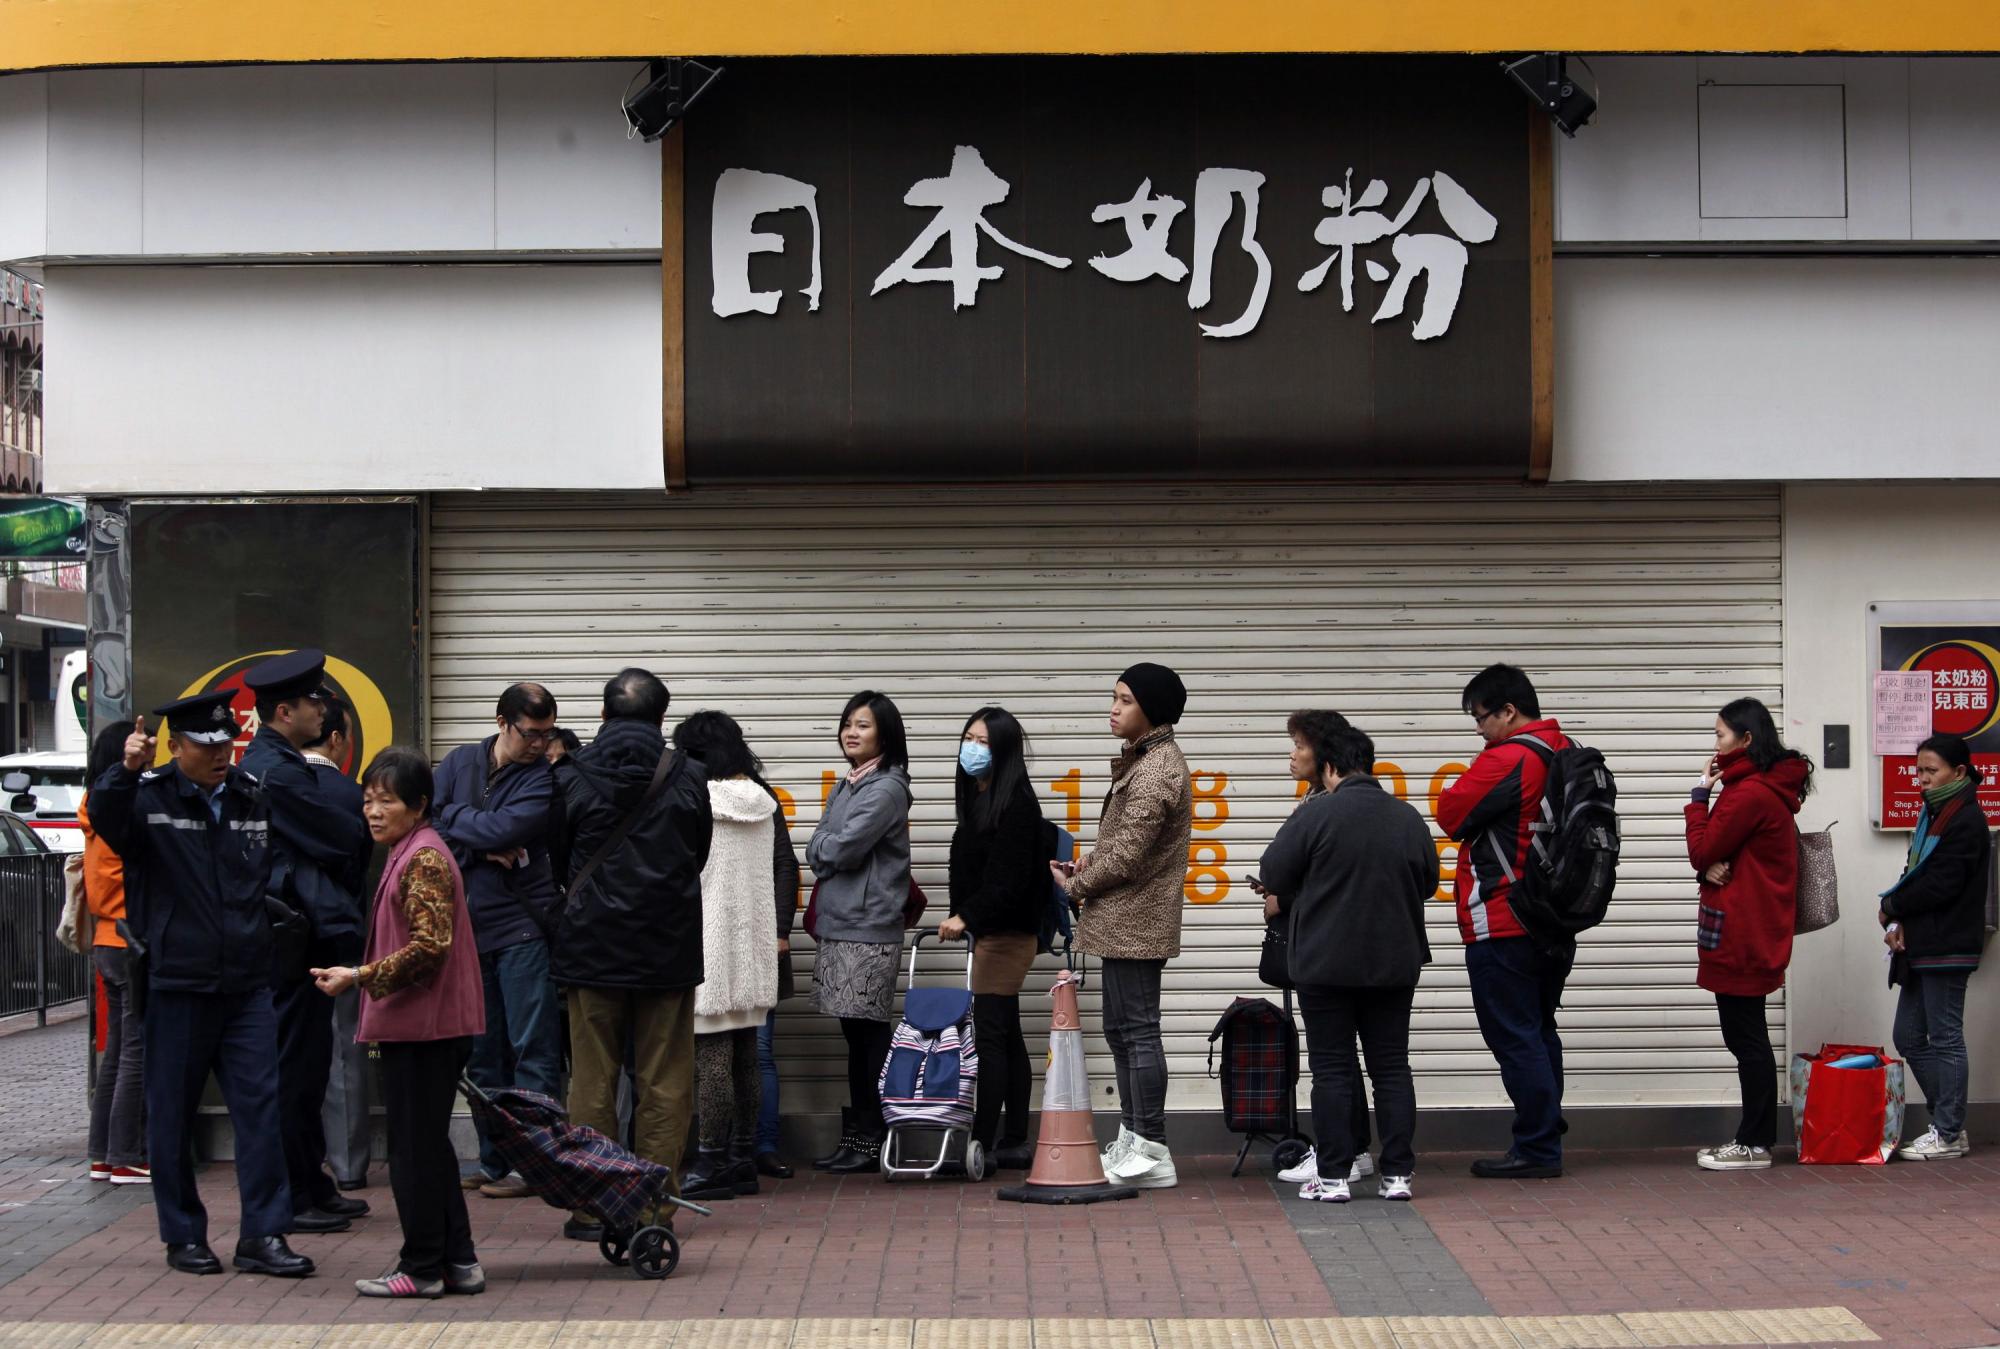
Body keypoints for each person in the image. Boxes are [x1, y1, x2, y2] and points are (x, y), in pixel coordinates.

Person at [88, 693, 313, 1278]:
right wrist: (125, 769)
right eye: (206, 745)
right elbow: (106, 817)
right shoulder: (148, 800)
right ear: (176, 746)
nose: (220, 755)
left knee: (261, 1112)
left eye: (226, 744)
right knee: (171, 1115)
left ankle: (263, 1235)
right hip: (177, 984)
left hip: (246, 984)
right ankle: (184, 1235)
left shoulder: (249, 796)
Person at [311, 749, 486, 1298]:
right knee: (428, 1145)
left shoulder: (424, 859)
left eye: (387, 800)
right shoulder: (407, 850)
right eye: (368, 800)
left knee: (412, 1150)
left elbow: (429, 949)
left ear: (419, 805)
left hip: (425, 1027)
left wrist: (357, 975)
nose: (373, 811)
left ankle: (423, 1267)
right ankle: (458, 1261)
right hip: (422, 1025)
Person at [552, 668, 712, 1239]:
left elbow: (558, 861)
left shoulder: (569, 774)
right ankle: (652, 1207)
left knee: (591, 1079)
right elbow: (698, 853)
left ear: (602, 715)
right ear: (661, 719)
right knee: (665, 1080)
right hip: (666, 951)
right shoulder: (690, 775)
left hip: (591, 949)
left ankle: (594, 1204)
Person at [1260, 720, 1436, 1202]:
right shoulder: (1408, 818)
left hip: (1325, 964)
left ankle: (1334, 1177)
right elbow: (1428, 884)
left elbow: (1273, 872)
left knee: (1334, 1069)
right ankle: (1397, 1175)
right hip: (1395, 963)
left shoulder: (1316, 816)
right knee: (1392, 1068)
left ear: (1330, 765)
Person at [239, 649, 372, 1232]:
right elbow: (344, 835)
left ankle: (312, 1184)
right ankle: (293, 1194)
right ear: (284, 711)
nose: (324, 710)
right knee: (293, 1067)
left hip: (299, 934)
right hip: (288, 937)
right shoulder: (278, 771)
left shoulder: (282, 763)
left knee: (310, 1063)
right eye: (314, 701)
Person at [1053, 663, 1193, 1190]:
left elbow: (1130, 857)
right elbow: (1123, 850)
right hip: (1123, 922)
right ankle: (1135, 1140)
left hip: (1137, 925)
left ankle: (1152, 1148)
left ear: (1151, 710)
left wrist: (1074, 886)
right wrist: (1085, 868)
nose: (1114, 709)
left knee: (1137, 1034)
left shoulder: (1156, 769)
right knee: (1123, 1032)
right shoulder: (1144, 760)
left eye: (1125, 700)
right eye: (1114, 698)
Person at [1436, 663, 1574, 1180]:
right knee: (1538, 1030)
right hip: (1554, 921)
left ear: (1509, 711)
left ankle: (1538, 1147)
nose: (1478, 729)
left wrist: (1488, 760)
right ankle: (1545, 1133)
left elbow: (1450, 813)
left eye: (1480, 717)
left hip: (1504, 919)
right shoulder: (1565, 750)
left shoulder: (1510, 756)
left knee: (1515, 1036)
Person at [433, 682, 566, 1199]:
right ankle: (494, 1159)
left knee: (532, 1047)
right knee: (484, 1054)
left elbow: (500, 831)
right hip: (467, 929)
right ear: (501, 722)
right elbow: (427, 825)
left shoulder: (540, 780)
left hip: (521, 927)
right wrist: (478, 846)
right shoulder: (458, 762)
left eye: (547, 733)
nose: (540, 744)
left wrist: (463, 826)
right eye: (531, 733)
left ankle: (533, 1164)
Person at [1683, 696, 1813, 1171]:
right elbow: (1719, 860)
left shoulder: (1749, 793)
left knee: (1747, 1040)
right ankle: (1753, 1138)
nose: (1714, 746)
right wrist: (1710, 868)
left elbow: (1703, 850)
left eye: (1720, 735)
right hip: (1751, 926)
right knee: (1748, 1036)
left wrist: (1699, 798)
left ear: (1747, 739)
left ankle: (1754, 1142)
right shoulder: (1759, 789)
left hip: (1743, 931)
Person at [672, 710, 787, 1200]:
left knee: (712, 1061)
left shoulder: (693, 797)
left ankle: (712, 1160)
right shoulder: (763, 801)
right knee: (745, 1057)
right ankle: (742, 1158)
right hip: (753, 946)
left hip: (710, 945)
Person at [806, 690, 914, 1174]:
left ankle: (874, 1138)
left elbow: (837, 850)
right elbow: (821, 843)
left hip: (868, 927)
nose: (852, 731)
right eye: (848, 722)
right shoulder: (850, 784)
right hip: (843, 923)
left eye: (864, 725)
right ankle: (863, 1135)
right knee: (858, 1036)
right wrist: (823, 845)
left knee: (868, 1038)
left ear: (885, 735)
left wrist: (823, 845)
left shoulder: (886, 788)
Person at [1270, 709, 1377, 1190]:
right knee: (1351, 1059)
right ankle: (1356, 1148)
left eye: (1300, 745)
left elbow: (1324, 876)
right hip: (1355, 946)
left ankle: (1343, 1153)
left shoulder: (1326, 805)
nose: (1293, 754)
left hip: (1330, 947)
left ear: (1326, 753)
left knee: (1334, 1059)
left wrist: (1281, 897)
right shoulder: (1319, 799)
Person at [941, 706, 1044, 1173]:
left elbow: (1009, 880)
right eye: (969, 738)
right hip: (991, 932)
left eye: (983, 741)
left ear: (1003, 750)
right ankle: (1016, 1136)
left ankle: (984, 1138)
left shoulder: (1018, 805)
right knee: (1006, 1032)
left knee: (991, 1035)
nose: (973, 748)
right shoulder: (979, 797)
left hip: (1006, 935)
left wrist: (966, 915)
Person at [1881, 733, 1992, 1162]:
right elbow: (1915, 874)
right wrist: (1896, 919)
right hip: (1921, 943)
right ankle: (1947, 1123)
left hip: (1948, 945)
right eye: (1919, 771)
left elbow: (1941, 883)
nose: (1921, 780)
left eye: (1931, 771)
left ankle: (1947, 1130)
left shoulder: (1964, 820)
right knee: (1907, 1036)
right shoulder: (1934, 815)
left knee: (1945, 1037)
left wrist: (1892, 904)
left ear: (1958, 772)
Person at [301, 695, 374, 1192]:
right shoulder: (353, 796)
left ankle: (295, 1160)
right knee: (345, 1050)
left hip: (277, 935)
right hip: (339, 932)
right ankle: (348, 1164)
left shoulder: (265, 785)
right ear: (334, 739)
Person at [83, 720, 147, 1185]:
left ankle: (103, 1153)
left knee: (118, 1051)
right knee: (135, 1051)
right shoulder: (120, 810)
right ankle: (127, 1153)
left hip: (106, 937)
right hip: (130, 938)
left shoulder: (92, 807)